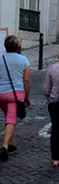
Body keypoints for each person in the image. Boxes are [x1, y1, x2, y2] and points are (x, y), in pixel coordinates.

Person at [0, 35, 31, 163]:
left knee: (8, 116)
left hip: (1, 93)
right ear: (18, 46)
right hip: (15, 94)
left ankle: (11, 141)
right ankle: (5, 146)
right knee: (11, 119)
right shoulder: (24, 60)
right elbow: (26, 80)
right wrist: (27, 97)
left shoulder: (0, 59)